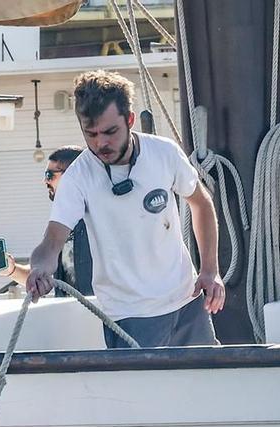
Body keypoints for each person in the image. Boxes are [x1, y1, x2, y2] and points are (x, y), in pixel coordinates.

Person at [25, 71, 222, 348]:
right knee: (142, 393)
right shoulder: (78, 177)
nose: (100, 143)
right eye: (90, 134)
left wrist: (210, 271)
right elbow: (52, 240)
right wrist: (39, 269)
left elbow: (201, 203)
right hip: (131, 316)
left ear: (129, 120)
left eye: (110, 132)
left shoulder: (164, 153)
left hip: (187, 302)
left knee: (207, 387)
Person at [6, 147, 93, 297]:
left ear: (72, 175)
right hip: (69, 314)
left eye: (50, 175)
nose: (45, 181)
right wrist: (11, 270)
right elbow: (41, 276)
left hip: (102, 314)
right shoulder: (60, 224)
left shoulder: (97, 217)